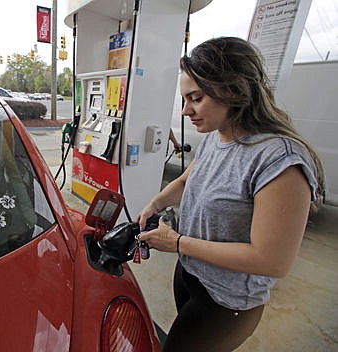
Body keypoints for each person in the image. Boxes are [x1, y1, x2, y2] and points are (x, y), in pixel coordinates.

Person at [137, 37, 325, 352]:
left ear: (234, 90)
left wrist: (178, 243)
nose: (186, 111)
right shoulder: (215, 137)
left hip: (227, 303)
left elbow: (271, 260)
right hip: (191, 274)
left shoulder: (278, 160)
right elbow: (187, 179)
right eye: (184, 99)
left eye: (195, 98)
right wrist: (154, 203)